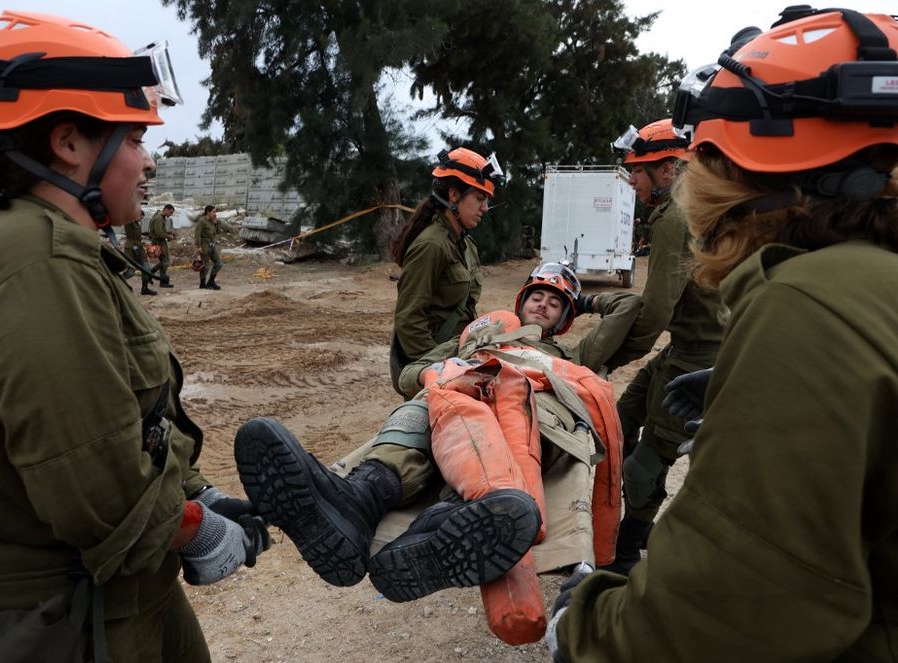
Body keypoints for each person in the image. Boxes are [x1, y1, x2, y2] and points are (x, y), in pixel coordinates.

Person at [0, 11, 269, 662]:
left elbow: (127, 421)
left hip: (107, 596)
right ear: (70, 143)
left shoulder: (43, 247)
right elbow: (95, 483)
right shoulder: (34, 262)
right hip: (64, 616)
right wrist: (195, 530)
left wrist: (193, 491)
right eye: (133, 138)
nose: (147, 159)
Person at [548, 7, 898, 660]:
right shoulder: (865, 286)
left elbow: (728, 612)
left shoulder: (813, 306)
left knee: (644, 467)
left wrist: (580, 625)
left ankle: (620, 560)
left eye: (709, 157)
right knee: (625, 443)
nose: (692, 185)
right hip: (697, 359)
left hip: (693, 355)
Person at [234, 263, 632, 619]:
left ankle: (448, 522)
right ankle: (359, 502)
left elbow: (629, 308)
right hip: (455, 403)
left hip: (530, 414)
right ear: (521, 301)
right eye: (537, 296)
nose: (543, 305)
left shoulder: (571, 353)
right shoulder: (477, 337)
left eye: (556, 303)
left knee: (506, 429)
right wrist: (445, 368)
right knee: (424, 409)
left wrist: (587, 300)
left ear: (566, 316)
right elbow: (409, 375)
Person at [591, 117, 724, 575]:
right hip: (683, 347)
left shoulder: (675, 218)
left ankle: (626, 553)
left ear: (667, 170)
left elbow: (657, 309)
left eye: (638, 170)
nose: (631, 179)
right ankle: (632, 521)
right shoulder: (683, 208)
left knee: (647, 462)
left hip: (698, 356)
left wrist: (608, 356)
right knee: (619, 422)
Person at [388, 147, 504, 394]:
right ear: (454, 195)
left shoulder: (465, 244)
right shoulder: (432, 245)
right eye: (479, 198)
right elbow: (409, 319)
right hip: (437, 371)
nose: (484, 208)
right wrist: (436, 369)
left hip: (458, 358)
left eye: (487, 200)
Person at [193, 204, 227, 290]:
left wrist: (216, 223)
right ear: (208, 212)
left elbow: (218, 232)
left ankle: (211, 281)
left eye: (215, 212)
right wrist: (198, 246)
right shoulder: (202, 221)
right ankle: (202, 283)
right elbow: (197, 234)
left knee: (219, 263)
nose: (215, 214)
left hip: (212, 245)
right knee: (206, 265)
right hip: (204, 245)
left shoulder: (212, 221)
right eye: (213, 212)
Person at [124, 210, 157, 296]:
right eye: (140, 216)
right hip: (130, 248)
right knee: (130, 272)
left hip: (139, 247)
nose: (141, 218)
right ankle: (117, 284)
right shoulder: (129, 221)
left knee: (146, 268)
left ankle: (145, 289)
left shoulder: (137, 224)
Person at [148, 203, 175, 288]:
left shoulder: (161, 217)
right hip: (158, 243)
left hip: (160, 242)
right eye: (170, 212)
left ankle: (162, 281)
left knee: (164, 261)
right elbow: (158, 233)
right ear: (166, 209)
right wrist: (168, 236)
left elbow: (160, 231)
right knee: (165, 261)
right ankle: (151, 273)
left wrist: (168, 234)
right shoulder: (159, 218)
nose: (170, 215)